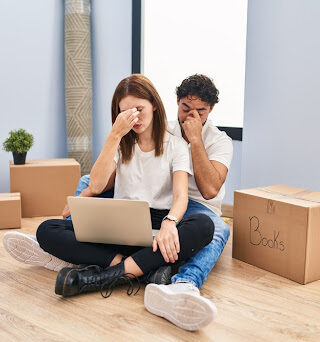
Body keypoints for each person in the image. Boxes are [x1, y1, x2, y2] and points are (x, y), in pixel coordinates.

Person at [3, 74, 215, 329]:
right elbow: (95, 185)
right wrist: (114, 136)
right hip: (119, 222)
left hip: (156, 227)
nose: (133, 117)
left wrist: (171, 222)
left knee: (203, 225)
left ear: (155, 105)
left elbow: (181, 196)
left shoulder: (176, 144)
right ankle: (145, 271)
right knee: (47, 230)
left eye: (139, 109)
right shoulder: (120, 140)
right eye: (125, 112)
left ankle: (101, 276)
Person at [62, 74, 233, 331]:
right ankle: (71, 234)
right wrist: (85, 194)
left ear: (211, 110)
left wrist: (195, 140)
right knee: (88, 180)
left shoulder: (219, 141)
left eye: (201, 111)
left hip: (195, 205)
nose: (191, 117)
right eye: (186, 109)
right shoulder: (161, 126)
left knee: (218, 228)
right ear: (176, 102)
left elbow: (209, 190)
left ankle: (183, 285)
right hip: (151, 198)